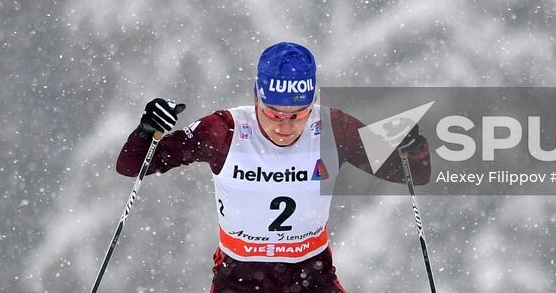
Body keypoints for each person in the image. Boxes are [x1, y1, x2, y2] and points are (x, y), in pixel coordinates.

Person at [115, 41, 430, 293]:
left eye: (298, 115)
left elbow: (414, 173)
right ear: (256, 100)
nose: (285, 126)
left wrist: (414, 148)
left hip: (312, 279)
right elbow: (133, 165)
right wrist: (147, 131)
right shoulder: (223, 131)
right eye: (274, 114)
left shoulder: (334, 128)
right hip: (239, 281)